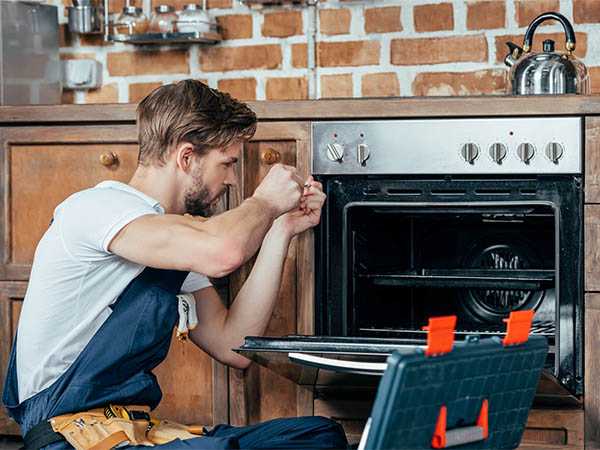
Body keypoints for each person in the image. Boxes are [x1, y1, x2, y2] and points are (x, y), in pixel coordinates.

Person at [2, 79, 348, 450]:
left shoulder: (175, 241)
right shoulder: (96, 209)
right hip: (69, 438)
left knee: (318, 435)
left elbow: (233, 345)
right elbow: (223, 252)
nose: (231, 180)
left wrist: (281, 230)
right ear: (186, 157)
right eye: (227, 163)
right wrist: (265, 202)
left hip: (133, 433)